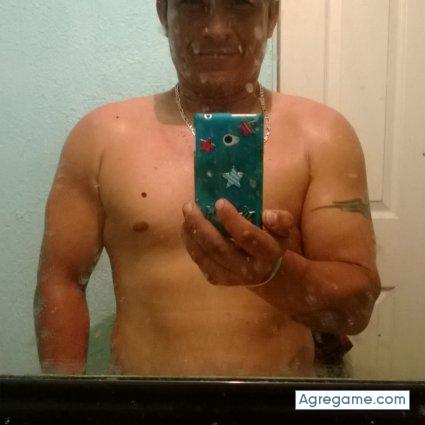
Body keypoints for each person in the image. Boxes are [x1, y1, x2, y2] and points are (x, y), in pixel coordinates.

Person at [33, 0, 381, 377]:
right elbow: (61, 282)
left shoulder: (322, 136)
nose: (216, 29)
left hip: (277, 402)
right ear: (164, 13)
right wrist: (65, 398)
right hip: (145, 404)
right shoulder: (102, 137)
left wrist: (275, 274)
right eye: (194, 4)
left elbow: (356, 309)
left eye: (241, 5)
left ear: (271, 17)